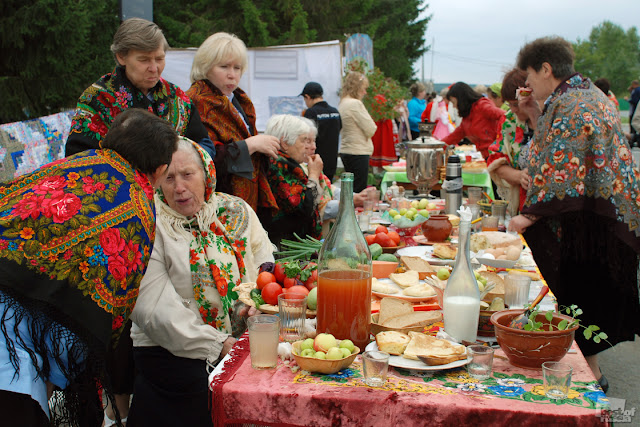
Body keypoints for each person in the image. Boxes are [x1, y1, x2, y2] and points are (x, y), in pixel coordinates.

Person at [0, 109, 177, 426]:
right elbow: (102, 313)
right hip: (12, 355)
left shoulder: (65, 168)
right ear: (160, 169)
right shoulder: (137, 208)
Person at [508, 36, 640, 393]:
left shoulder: (572, 104)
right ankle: (592, 377)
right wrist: (535, 112)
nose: (527, 84)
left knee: (580, 298)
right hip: (599, 219)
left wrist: (529, 217)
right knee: (582, 301)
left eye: (530, 75)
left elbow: (557, 170)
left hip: (589, 227)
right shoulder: (583, 95)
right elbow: (547, 153)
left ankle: (589, 390)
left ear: (546, 69)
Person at [127, 139, 273, 426]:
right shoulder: (146, 223)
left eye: (187, 174)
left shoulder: (236, 211)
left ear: (207, 174)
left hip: (241, 345)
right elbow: (153, 309)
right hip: (172, 358)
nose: (179, 187)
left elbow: (266, 264)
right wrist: (219, 345)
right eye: (168, 177)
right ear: (156, 181)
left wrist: (261, 304)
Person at [65, 18, 214, 159]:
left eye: (159, 59)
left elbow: (205, 145)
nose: (154, 68)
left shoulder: (176, 97)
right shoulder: (98, 99)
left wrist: (182, 160)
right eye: (144, 60)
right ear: (121, 57)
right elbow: (78, 157)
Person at [187, 32, 280, 213]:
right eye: (224, 67)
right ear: (205, 67)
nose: (232, 75)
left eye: (237, 68)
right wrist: (250, 145)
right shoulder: (196, 101)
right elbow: (200, 159)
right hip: (215, 203)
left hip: (245, 201)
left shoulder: (239, 101)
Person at [259, 115, 325, 248]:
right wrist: (313, 175)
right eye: (303, 140)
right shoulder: (277, 165)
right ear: (284, 143)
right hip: (286, 245)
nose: (307, 147)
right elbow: (304, 208)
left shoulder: (284, 163)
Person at [487, 68, 534, 216]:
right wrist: (519, 176)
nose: (512, 110)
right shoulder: (509, 122)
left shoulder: (551, 119)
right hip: (519, 208)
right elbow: (496, 162)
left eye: (515, 104)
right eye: (509, 105)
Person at [442, 82, 506, 159]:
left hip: (497, 155)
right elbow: (454, 136)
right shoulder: (467, 117)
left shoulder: (482, 106)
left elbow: (505, 116)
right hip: (486, 157)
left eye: (453, 102)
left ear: (460, 99)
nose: (454, 106)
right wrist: (437, 146)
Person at [338, 71, 378, 193]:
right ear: (357, 88)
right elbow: (371, 128)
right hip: (358, 151)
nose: (365, 92)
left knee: (351, 190)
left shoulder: (343, 102)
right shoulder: (355, 104)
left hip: (347, 149)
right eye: (363, 89)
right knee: (359, 190)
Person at [301, 82, 342, 182]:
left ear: (307, 97)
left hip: (316, 161)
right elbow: (340, 128)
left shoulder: (311, 112)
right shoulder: (335, 111)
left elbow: (305, 134)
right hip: (332, 160)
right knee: (328, 188)